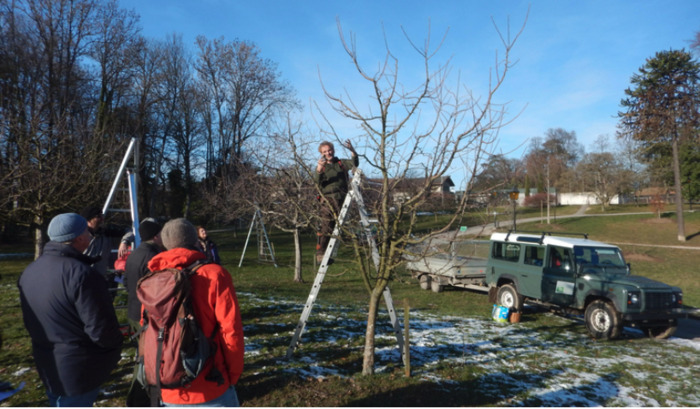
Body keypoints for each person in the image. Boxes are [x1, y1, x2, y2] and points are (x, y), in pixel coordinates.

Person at [18, 213, 123, 407]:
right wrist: (117, 345)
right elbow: (101, 330)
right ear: (79, 238)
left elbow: (29, 321)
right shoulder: (83, 275)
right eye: (86, 231)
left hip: (48, 362)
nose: (91, 235)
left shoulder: (30, 271)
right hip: (79, 368)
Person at [146, 218, 244, 406]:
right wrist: (232, 374)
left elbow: (148, 329)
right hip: (211, 382)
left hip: (168, 383)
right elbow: (231, 331)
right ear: (195, 241)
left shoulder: (153, 280)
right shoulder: (214, 275)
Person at [313, 140, 358, 264]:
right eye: (325, 151)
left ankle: (330, 255)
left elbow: (355, 163)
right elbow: (316, 182)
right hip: (327, 199)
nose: (328, 153)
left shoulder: (341, 163)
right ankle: (321, 254)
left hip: (342, 198)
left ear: (333, 150)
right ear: (321, 153)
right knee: (327, 225)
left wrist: (352, 150)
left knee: (337, 228)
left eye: (329, 150)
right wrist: (319, 170)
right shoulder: (321, 166)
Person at [123, 218, 163, 333]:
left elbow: (126, 282)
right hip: (146, 315)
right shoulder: (153, 258)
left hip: (133, 310)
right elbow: (157, 290)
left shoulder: (133, 255)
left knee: (139, 348)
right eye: (161, 234)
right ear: (155, 236)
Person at [80, 206, 132, 292]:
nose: (102, 219)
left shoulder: (106, 232)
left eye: (102, 215)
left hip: (101, 279)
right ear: (88, 220)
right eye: (98, 216)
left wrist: (124, 242)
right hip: (83, 279)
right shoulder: (79, 235)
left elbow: (129, 230)